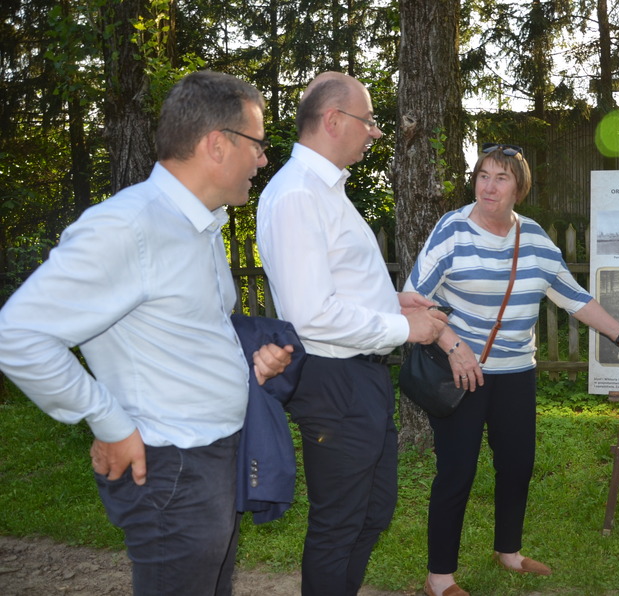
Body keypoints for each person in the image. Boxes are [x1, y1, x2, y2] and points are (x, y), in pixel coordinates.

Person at [0, 70, 294, 595]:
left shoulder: (197, 225)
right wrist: (109, 421)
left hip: (210, 460)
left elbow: (182, 331)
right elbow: (17, 335)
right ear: (217, 144)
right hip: (169, 471)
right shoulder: (129, 225)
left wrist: (246, 362)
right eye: (258, 143)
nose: (263, 159)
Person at [404, 143, 619, 596]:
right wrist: (452, 344)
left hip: (517, 371)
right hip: (461, 371)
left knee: (518, 465)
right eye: (483, 175)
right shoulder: (452, 231)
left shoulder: (536, 239)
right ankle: (439, 576)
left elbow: (574, 297)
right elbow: (410, 299)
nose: (489, 185)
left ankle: (509, 552)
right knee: (457, 472)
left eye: (501, 177)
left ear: (519, 188)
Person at [256, 71, 447, 595]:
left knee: (373, 511)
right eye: (367, 121)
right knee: (339, 522)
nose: (376, 132)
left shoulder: (326, 191)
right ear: (333, 120)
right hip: (332, 381)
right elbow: (312, 314)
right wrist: (403, 326)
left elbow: (337, 286)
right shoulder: (297, 195)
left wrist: (392, 301)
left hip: (359, 379)